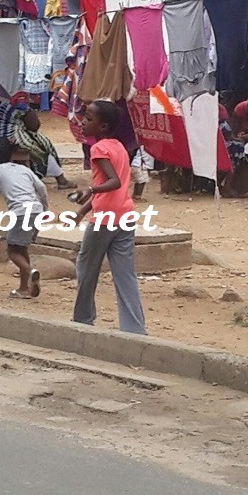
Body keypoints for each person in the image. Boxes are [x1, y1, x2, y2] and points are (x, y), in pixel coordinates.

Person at [72, 101, 146, 335]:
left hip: (104, 220)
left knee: (86, 268)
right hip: (124, 215)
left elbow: (111, 182)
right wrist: (82, 211)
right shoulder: (119, 147)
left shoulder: (99, 149)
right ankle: (134, 328)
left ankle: (83, 320)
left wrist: (90, 190)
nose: (83, 121)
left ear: (103, 126)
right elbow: (116, 186)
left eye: (89, 118)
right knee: (125, 274)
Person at [0, 137, 47, 299]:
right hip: (36, 209)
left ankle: (31, 272)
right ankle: (24, 288)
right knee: (22, 248)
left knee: (12, 250)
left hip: (20, 212)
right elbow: (42, 187)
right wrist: (45, 207)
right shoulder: (23, 169)